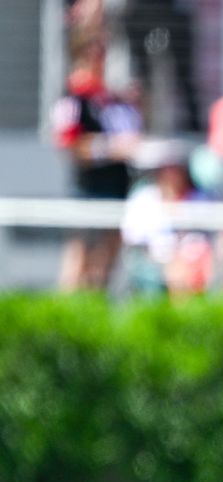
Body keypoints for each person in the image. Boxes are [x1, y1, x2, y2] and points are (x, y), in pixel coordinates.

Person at [51, 36, 142, 291]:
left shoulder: (113, 100)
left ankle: (95, 313)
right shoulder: (73, 100)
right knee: (78, 258)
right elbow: (70, 146)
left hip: (117, 188)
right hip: (88, 189)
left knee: (107, 258)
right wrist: (110, 148)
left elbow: (134, 135)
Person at [120, 139, 212, 297]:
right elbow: (133, 237)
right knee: (176, 272)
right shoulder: (144, 197)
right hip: (154, 260)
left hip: (193, 261)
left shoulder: (200, 198)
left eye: (176, 169)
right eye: (168, 169)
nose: (173, 174)